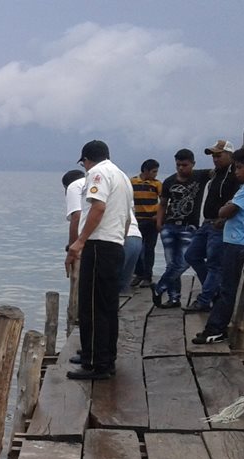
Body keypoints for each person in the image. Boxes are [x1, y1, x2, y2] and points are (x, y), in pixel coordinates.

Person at [66, 140, 131, 380]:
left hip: (100, 245)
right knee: (106, 306)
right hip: (115, 244)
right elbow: (125, 217)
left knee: (92, 306)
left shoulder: (97, 173)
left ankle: (96, 363)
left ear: (86, 160)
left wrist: (80, 241)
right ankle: (98, 355)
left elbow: (98, 207)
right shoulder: (122, 177)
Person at [194, 146, 244, 345]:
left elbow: (227, 210)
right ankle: (215, 326)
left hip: (238, 243)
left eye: (239, 168)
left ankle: (216, 330)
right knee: (225, 286)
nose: (236, 172)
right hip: (234, 241)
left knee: (227, 289)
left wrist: (224, 209)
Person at [183, 140, 239, 311]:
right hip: (206, 223)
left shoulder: (234, 175)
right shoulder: (216, 174)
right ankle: (212, 291)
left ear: (230, 155)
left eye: (218, 155)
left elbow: (237, 201)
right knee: (191, 255)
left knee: (215, 264)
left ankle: (204, 300)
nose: (215, 159)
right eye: (213, 156)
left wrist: (224, 220)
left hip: (219, 224)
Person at [153, 148, 213, 308]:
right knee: (171, 263)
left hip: (189, 227)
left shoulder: (200, 176)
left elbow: (219, 172)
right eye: (178, 165)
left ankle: (160, 286)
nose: (181, 168)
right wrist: (160, 222)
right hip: (170, 225)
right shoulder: (169, 181)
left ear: (192, 164)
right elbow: (163, 203)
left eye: (184, 165)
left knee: (185, 260)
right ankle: (174, 297)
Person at [130, 159, 162, 287]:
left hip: (151, 221)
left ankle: (147, 276)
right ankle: (139, 274)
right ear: (145, 171)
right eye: (154, 172)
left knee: (149, 249)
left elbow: (164, 201)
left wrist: (159, 216)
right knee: (137, 249)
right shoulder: (132, 182)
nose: (155, 174)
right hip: (137, 221)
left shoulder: (157, 184)